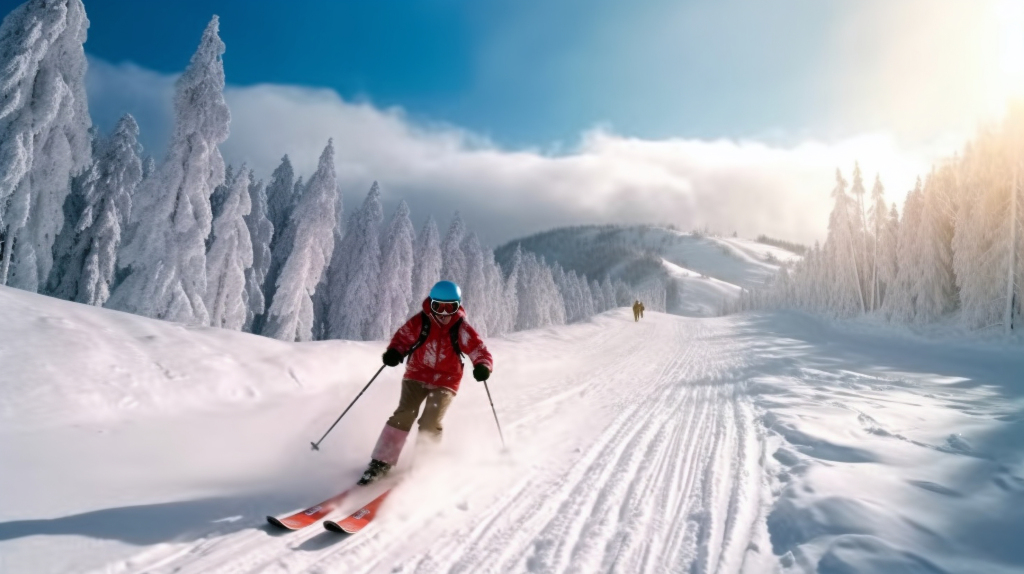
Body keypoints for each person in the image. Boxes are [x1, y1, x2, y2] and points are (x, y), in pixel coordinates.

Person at [358, 280, 494, 485]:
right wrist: (395, 352)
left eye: (450, 307)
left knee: (430, 420)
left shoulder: (461, 328)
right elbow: (402, 339)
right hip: (417, 374)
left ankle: (423, 465)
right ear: (431, 304)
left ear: (458, 306)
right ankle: (380, 463)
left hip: (447, 379)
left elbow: (479, 350)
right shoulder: (421, 322)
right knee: (405, 413)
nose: (444, 313)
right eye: (438, 306)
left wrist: (483, 365)